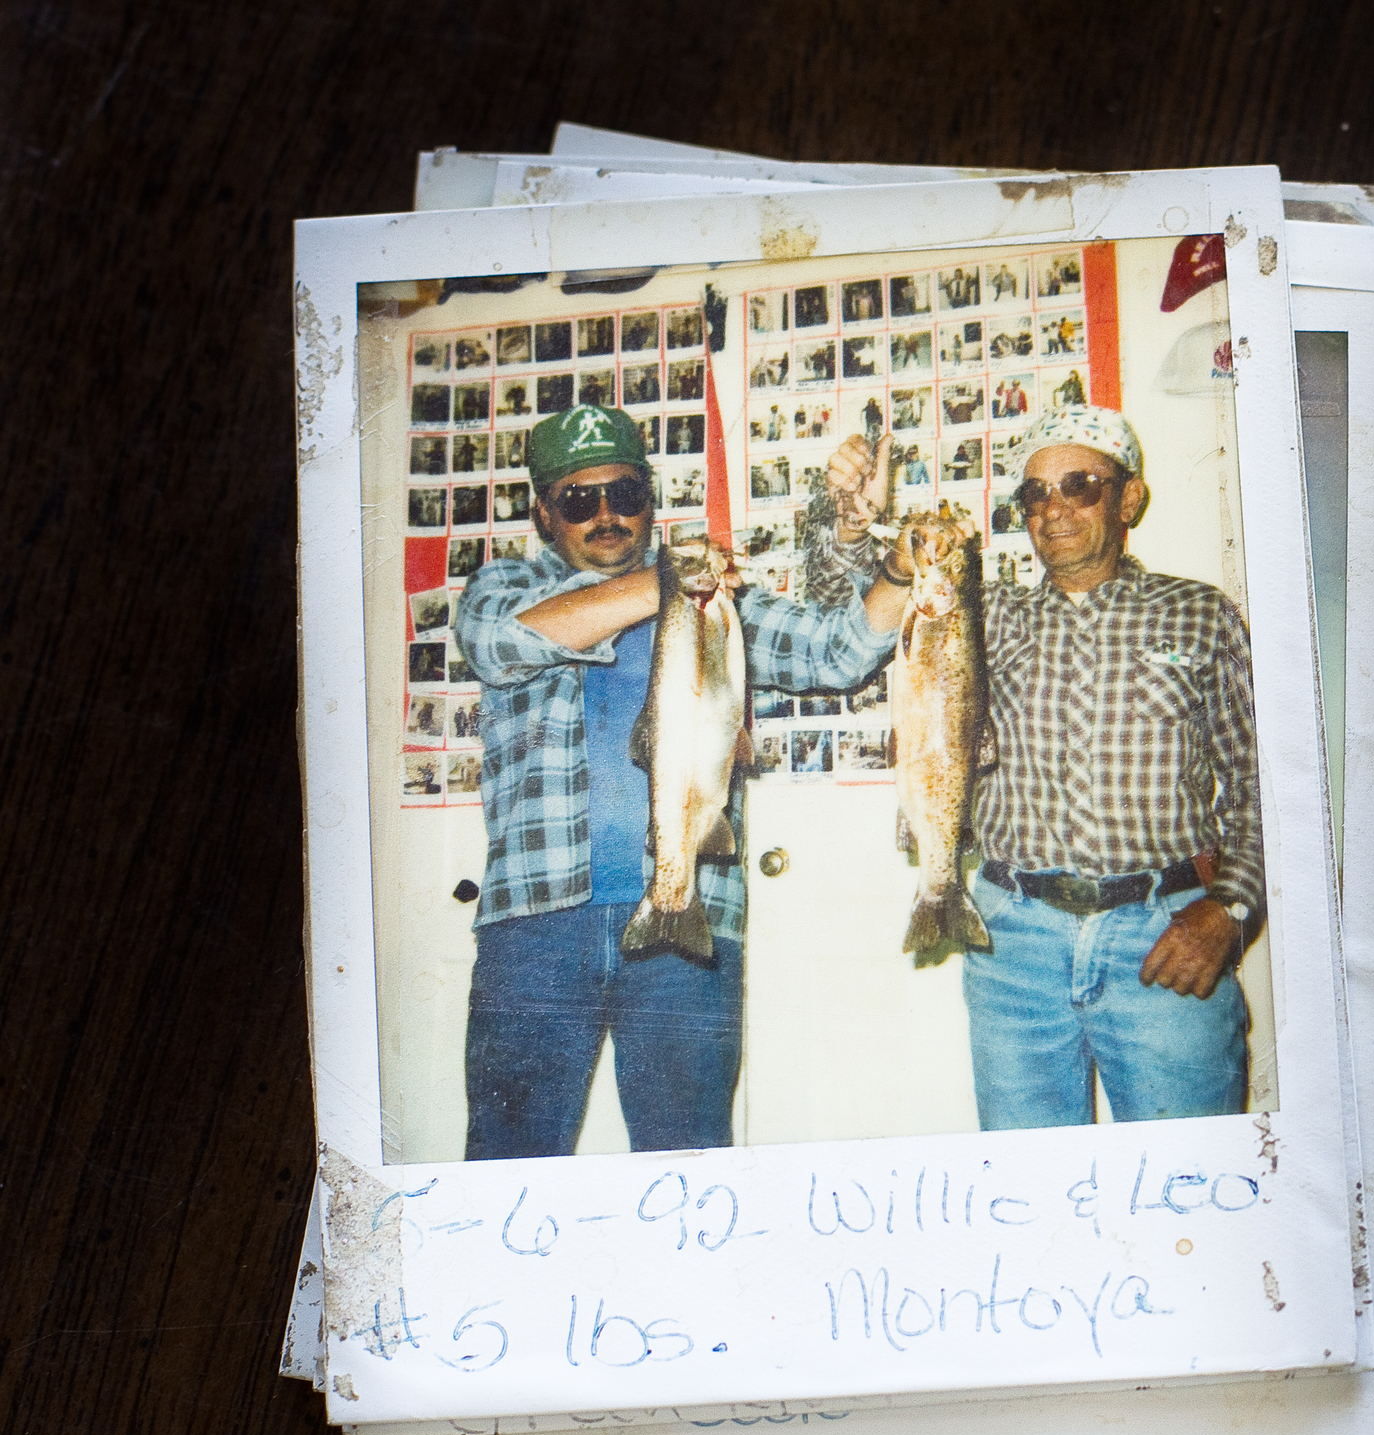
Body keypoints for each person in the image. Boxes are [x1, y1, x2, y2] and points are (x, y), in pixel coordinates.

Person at [453, 404, 913, 1160]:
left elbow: (836, 653)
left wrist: (892, 564)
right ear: (543, 512)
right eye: (580, 499)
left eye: (625, 495)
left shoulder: (716, 598)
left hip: (690, 915)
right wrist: (667, 586)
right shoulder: (505, 586)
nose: (606, 514)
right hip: (533, 927)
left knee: (689, 1160)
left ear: (649, 500)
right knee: (509, 1158)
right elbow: (502, 642)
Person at [869, 405, 1263, 1130]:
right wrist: (883, 542)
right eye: (1035, 493)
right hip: (1011, 943)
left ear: (1128, 499)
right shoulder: (982, 614)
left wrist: (1229, 909)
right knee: (1032, 1197)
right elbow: (862, 631)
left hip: (1166, 936)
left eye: (1080, 485)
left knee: (1188, 1190)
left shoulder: (1201, 615)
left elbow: (1263, 782)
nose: (1053, 510)